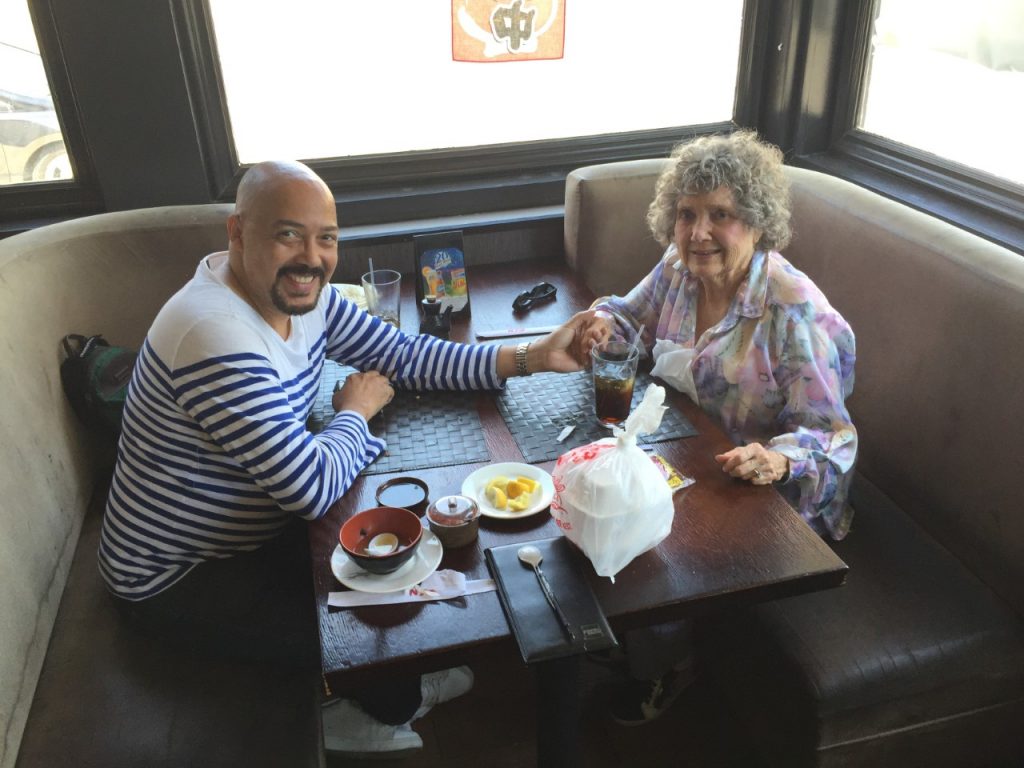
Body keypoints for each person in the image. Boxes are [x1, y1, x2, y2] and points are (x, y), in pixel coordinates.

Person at [97, 160, 592, 756]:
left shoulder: (307, 296)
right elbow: (309, 487)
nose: (312, 256)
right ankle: (344, 712)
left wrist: (531, 355)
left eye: (326, 238)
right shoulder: (212, 333)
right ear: (237, 233)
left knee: (401, 572)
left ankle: (381, 690)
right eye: (288, 234)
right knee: (385, 635)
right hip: (179, 575)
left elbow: (405, 355)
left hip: (258, 530)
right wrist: (354, 412)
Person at [575, 130, 857, 725]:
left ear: (756, 224)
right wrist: (602, 325)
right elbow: (627, 315)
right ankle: (621, 635)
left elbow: (831, 434)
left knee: (653, 533)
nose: (698, 232)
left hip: (769, 490)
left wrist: (777, 460)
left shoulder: (789, 309)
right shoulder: (680, 269)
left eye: (720, 215)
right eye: (687, 215)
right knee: (598, 486)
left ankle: (664, 666)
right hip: (693, 448)